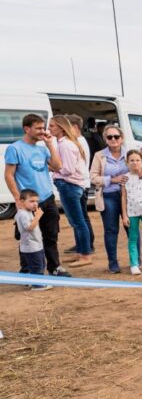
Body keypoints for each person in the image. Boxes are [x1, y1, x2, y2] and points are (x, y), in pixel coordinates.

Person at [4, 113, 71, 278]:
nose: (43, 131)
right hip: (29, 202)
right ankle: (27, 272)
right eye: (39, 128)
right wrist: (18, 200)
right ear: (27, 129)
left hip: (47, 198)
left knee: (51, 236)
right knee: (28, 238)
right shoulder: (15, 148)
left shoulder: (42, 148)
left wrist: (50, 144)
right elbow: (9, 175)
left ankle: (55, 268)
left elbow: (57, 166)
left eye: (44, 127)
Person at [49, 115, 93, 267]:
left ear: (61, 128)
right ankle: (81, 253)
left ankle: (86, 255)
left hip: (69, 185)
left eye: (52, 126)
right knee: (78, 222)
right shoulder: (67, 143)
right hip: (73, 185)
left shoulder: (65, 145)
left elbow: (67, 170)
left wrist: (51, 167)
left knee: (78, 222)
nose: (49, 129)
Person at [90, 125, 133, 273]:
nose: (113, 139)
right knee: (111, 230)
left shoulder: (129, 153)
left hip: (129, 196)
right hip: (108, 196)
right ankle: (113, 263)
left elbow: (140, 167)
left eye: (116, 136)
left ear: (122, 138)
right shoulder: (99, 155)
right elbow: (93, 178)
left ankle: (136, 260)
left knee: (131, 228)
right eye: (110, 137)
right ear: (105, 139)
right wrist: (112, 180)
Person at [64, 113, 95, 254]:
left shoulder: (78, 142)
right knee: (81, 216)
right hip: (82, 183)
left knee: (80, 217)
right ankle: (83, 244)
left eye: (66, 126)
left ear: (75, 127)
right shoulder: (78, 141)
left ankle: (86, 246)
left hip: (80, 183)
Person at [15, 189, 52, 291]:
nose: (35, 204)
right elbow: (29, 228)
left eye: (36, 201)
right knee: (36, 266)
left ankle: (35, 281)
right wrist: (38, 216)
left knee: (40, 264)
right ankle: (37, 285)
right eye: (31, 201)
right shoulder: (22, 214)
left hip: (36, 244)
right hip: (30, 246)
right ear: (22, 201)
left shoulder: (28, 212)